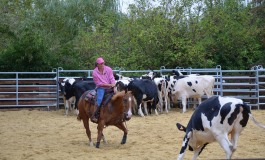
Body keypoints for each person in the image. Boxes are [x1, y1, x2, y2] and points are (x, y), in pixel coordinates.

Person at [91, 57, 116, 123]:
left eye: (103, 63)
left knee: (118, 96)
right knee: (99, 99)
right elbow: (99, 83)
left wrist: (113, 84)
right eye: (101, 63)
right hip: (101, 88)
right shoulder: (94, 73)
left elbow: (111, 77)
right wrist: (110, 85)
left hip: (110, 86)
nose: (102, 64)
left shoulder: (109, 69)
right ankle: (95, 114)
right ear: (97, 64)